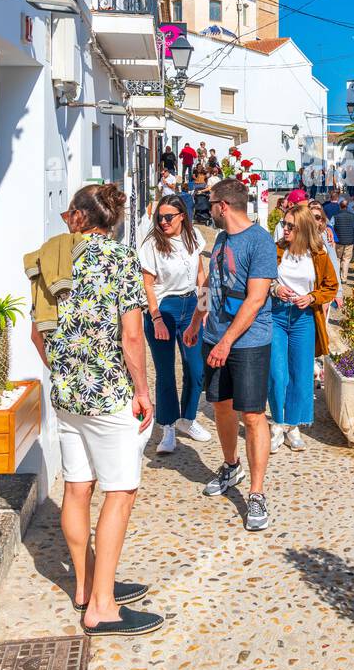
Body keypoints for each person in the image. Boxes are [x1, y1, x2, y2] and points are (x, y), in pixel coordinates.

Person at [28, 184, 163, 638]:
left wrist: (64, 369)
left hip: (66, 396)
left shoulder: (50, 257)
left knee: (78, 488)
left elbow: (37, 335)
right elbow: (131, 336)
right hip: (107, 395)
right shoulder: (120, 259)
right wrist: (142, 390)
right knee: (120, 492)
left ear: (80, 218)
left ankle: (87, 586)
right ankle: (102, 607)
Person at [184, 178, 277, 532]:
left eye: (210, 202)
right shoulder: (221, 239)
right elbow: (208, 284)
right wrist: (197, 321)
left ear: (224, 205)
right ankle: (230, 465)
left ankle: (256, 493)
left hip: (249, 342)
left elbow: (255, 299)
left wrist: (226, 343)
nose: (208, 208)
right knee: (221, 405)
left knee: (252, 416)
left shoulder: (261, 241)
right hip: (213, 336)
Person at [140, 195, 211, 456]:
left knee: (195, 368)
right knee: (165, 371)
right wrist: (156, 317)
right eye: (160, 217)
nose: (163, 221)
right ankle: (167, 427)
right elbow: (148, 284)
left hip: (191, 304)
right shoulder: (152, 245)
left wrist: (204, 307)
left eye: (168, 217)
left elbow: (202, 275)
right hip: (163, 308)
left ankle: (188, 419)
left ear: (182, 216)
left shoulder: (193, 238)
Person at [269, 203, 338, 450]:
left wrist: (311, 297)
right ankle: (277, 423)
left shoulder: (318, 255)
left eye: (290, 226)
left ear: (303, 229)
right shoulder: (276, 250)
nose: (285, 229)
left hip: (304, 318)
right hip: (276, 315)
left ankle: (293, 424)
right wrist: (275, 289)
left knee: (301, 374)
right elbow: (263, 279)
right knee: (277, 374)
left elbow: (331, 286)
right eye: (284, 224)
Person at [332, 198, 354, 283]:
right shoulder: (352, 216)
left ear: (340, 207)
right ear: (347, 206)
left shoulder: (335, 216)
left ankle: (337, 276)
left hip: (338, 241)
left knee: (337, 259)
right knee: (346, 260)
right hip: (349, 241)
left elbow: (330, 227)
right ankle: (344, 278)